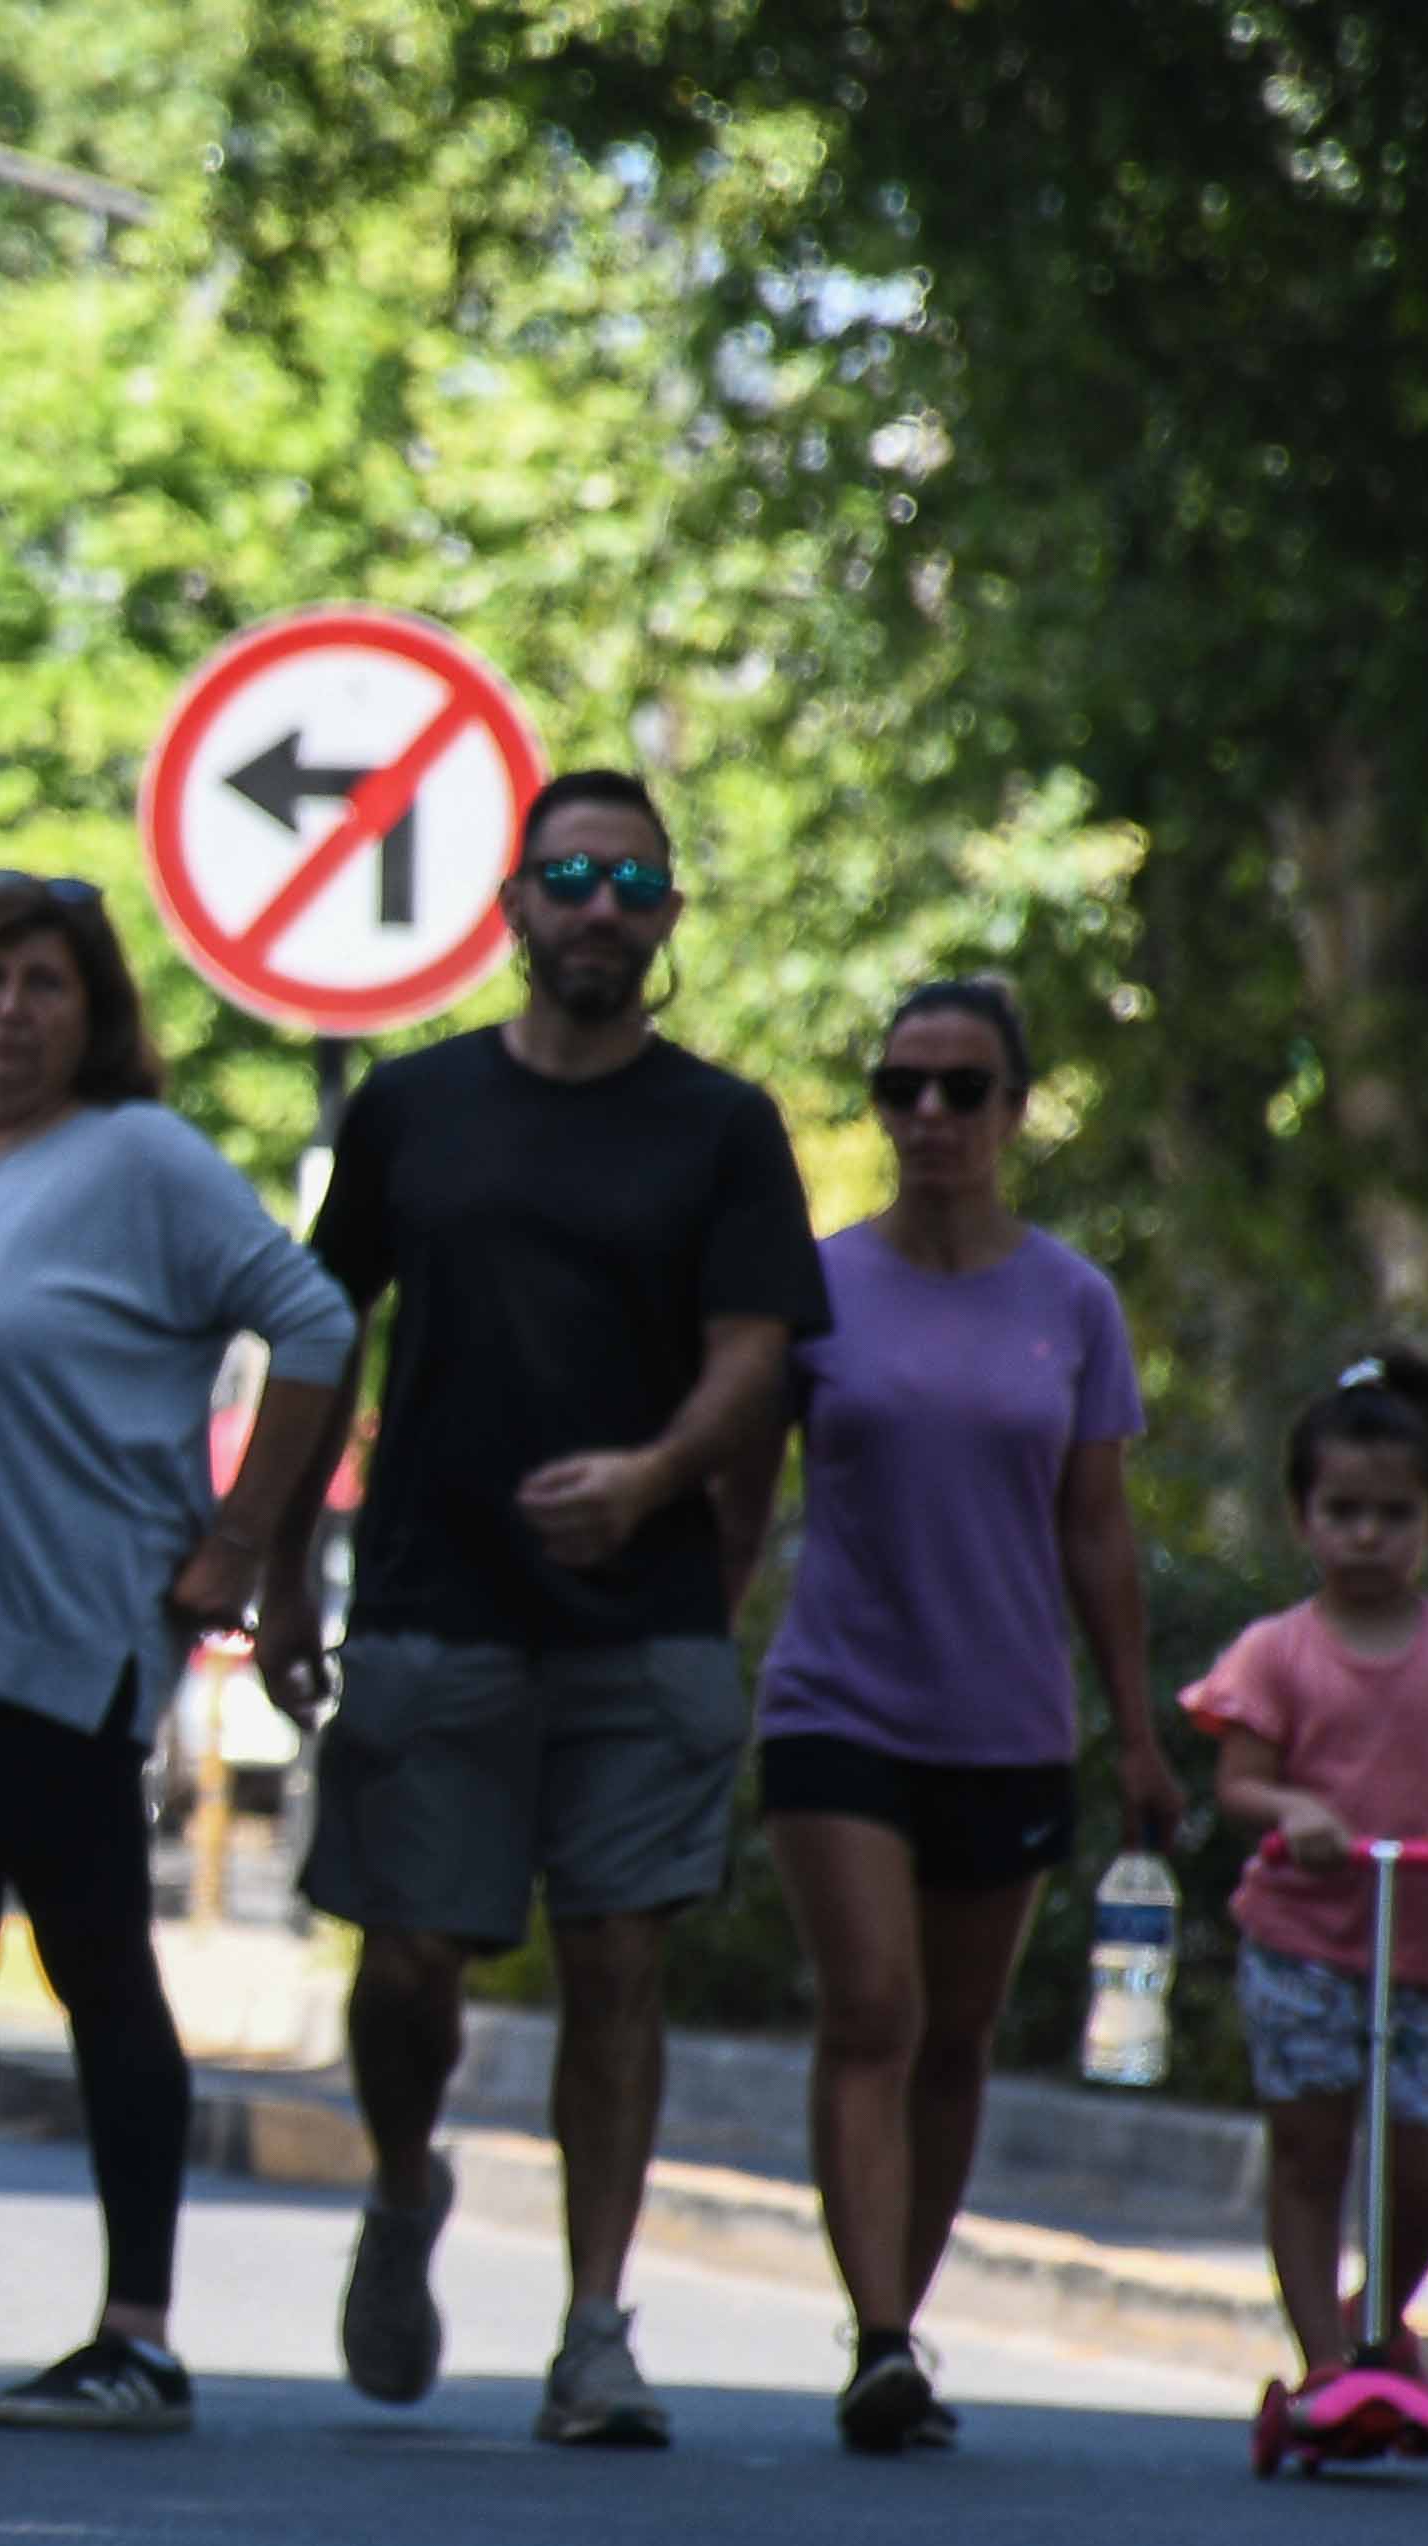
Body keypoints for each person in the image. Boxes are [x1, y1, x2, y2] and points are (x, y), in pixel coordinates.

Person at [255, 771, 828, 2450]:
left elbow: (757, 1351)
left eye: (631, 881)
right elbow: (318, 1326)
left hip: (637, 1613)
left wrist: (652, 1478)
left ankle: (592, 2328)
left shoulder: (721, 1125)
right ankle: (396, 2179)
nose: (599, 905)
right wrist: (283, 1562)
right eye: (568, 874)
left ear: (664, 919)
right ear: (509, 906)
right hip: (431, 1597)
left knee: (617, 1962)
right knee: (409, 1962)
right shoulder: (410, 1107)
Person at [0, 874, 353, 2435]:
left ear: (94, 1015)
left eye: (44, 983)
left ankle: (135, 2332)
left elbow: (316, 1324)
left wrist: (235, 1540)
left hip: (63, 1632)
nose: (8, 1008)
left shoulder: (135, 1158)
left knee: (94, 1974)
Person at [723, 977, 1177, 2455]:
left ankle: (891, 2333)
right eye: (898, 1087)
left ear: (1011, 1109)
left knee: (956, 2036)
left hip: (1004, 1716)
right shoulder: (813, 1284)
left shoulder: (1070, 1302)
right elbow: (738, 1494)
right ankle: (872, 2330)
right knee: (871, 2009)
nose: (927, 1116)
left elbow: (1094, 1530)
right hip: (833, 1700)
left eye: (959, 1088)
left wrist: (1136, 1728)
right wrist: (685, 1658)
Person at [1182, 1351, 1428, 2399]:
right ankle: (1328, 2367)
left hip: (1422, 1948)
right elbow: (1241, 1783)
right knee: (1311, 2149)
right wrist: (1296, 1812)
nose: (1367, 1535)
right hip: (1303, 1943)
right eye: (1343, 1511)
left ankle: (1376, 2311)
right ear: (1302, 1518)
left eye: (1392, 1512)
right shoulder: (1277, 1651)